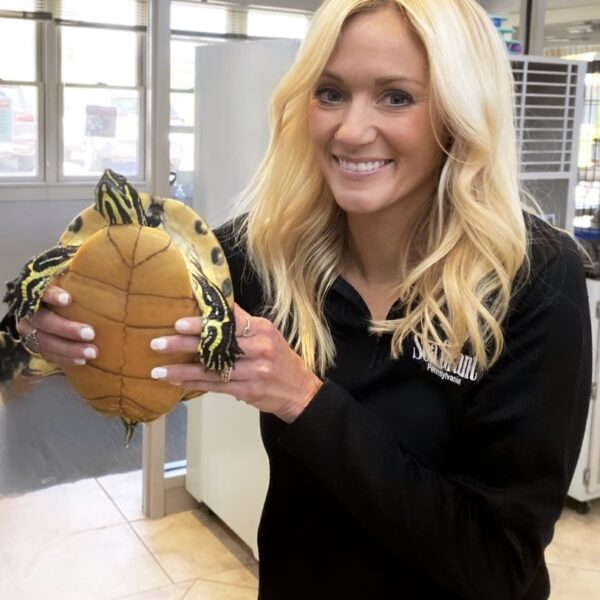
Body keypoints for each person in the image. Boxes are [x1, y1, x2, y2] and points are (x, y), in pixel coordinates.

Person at [13, 0, 592, 598]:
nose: (350, 130)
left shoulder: (535, 278)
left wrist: (304, 399)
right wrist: (43, 328)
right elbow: (131, 325)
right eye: (330, 92)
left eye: (396, 97)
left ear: (460, 112)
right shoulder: (266, 251)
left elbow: (497, 566)